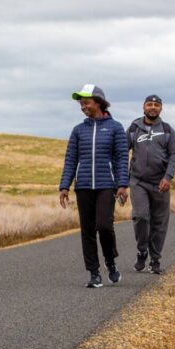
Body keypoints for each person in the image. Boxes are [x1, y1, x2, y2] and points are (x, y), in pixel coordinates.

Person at [59, 84, 129, 288]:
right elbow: (70, 159)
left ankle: (110, 261)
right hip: (83, 186)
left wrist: (122, 184)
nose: (83, 106)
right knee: (87, 230)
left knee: (104, 226)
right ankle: (94, 273)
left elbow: (121, 158)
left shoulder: (115, 128)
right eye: (81, 103)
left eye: (86, 102)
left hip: (107, 185)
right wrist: (65, 186)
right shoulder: (78, 130)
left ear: (98, 102)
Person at [126, 94, 175, 274]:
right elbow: (122, 151)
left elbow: (173, 156)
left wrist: (168, 177)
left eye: (156, 105)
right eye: (150, 104)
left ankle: (155, 260)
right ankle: (142, 250)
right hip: (138, 181)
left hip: (160, 183)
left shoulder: (167, 130)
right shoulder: (134, 128)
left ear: (161, 108)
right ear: (143, 107)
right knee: (140, 216)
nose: (153, 107)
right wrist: (123, 179)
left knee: (159, 222)